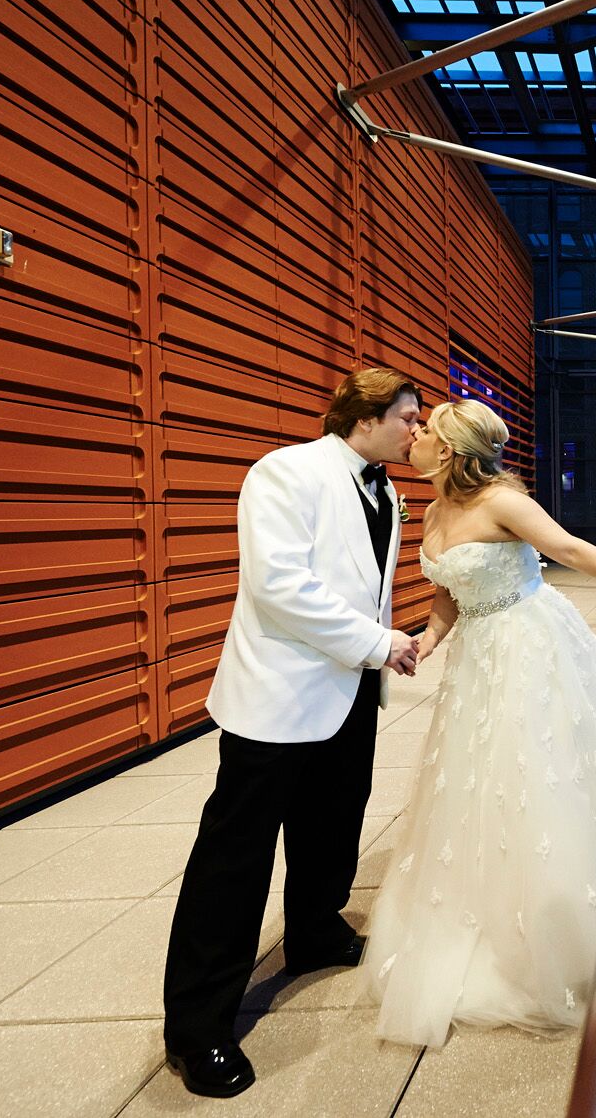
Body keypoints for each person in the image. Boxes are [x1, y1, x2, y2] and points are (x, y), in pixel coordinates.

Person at [362, 399, 596, 1048]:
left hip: (530, 643)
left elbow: (566, 546)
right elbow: (448, 596)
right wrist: (426, 644)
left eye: (425, 431)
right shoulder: (437, 510)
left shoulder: (501, 500)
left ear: (448, 451)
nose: (412, 437)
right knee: (478, 782)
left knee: (540, 771)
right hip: (478, 657)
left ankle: (572, 920)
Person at [161, 368, 423, 1097]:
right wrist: (378, 644)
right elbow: (280, 587)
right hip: (278, 699)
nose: (416, 430)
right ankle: (196, 1028)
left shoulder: (388, 489)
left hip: (345, 695)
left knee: (333, 825)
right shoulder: (284, 472)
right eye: (407, 416)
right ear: (364, 416)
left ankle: (313, 929)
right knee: (233, 859)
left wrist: (370, 655)